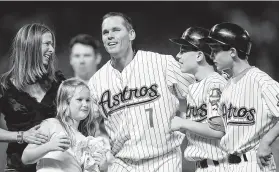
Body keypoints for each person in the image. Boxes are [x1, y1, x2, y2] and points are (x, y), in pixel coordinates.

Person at [88, 12, 196, 172]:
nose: (110, 36)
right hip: (122, 163)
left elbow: (200, 90)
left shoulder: (162, 63)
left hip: (164, 160)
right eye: (105, 32)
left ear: (131, 34)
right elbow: (86, 125)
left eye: (116, 30)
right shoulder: (96, 82)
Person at [201, 22, 279, 171]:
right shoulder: (227, 85)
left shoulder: (261, 81)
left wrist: (266, 142)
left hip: (255, 163)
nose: (211, 56)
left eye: (215, 50)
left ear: (232, 52)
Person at [0, 23, 66, 172]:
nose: (52, 49)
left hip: (55, 166)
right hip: (18, 167)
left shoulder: (58, 82)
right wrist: (21, 136)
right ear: (31, 47)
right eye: (47, 44)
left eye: (52, 44)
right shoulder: (4, 86)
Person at [169, 27, 228, 172]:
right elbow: (202, 123)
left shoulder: (215, 83)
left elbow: (218, 130)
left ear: (199, 56)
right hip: (204, 166)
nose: (178, 55)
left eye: (183, 50)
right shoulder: (195, 86)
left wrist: (183, 122)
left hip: (220, 166)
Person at [21, 78, 112, 172]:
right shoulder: (51, 125)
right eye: (79, 99)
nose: (85, 104)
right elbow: (26, 157)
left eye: (88, 100)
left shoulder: (85, 141)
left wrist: (103, 168)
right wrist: (49, 146)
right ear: (66, 103)